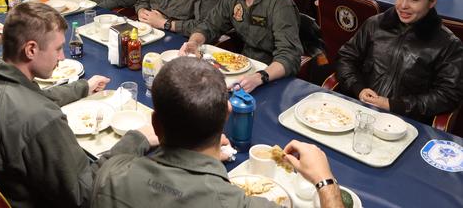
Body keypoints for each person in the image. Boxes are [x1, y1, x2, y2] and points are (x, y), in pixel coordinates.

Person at [0, 2, 156, 207]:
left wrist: (82, 88)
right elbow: (84, 193)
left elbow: (26, 98)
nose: (62, 57)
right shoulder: (42, 118)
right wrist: (137, 139)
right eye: (57, 49)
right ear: (31, 50)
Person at [92, 57, 344, 208]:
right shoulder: (233, 202)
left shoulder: (112, 175)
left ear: (155, 125)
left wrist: (137, 136)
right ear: (227, 112)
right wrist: (325, 180)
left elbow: (105, 163)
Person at [337, 0, 463, 123]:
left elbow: (448, 95)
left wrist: (394, 105)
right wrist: (358, 88)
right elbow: (346, 58)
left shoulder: (448, 44)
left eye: (414, 0)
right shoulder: (375, 24)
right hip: (358, 111)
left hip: (405, 123)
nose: (403, 5)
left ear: (432, 2)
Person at [181, 0, 302, 92]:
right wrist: (194, 42)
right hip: (243, 70)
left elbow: (289, 56)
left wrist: (259, 77)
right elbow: (210, 25)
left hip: (273, 78)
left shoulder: (279, 3)